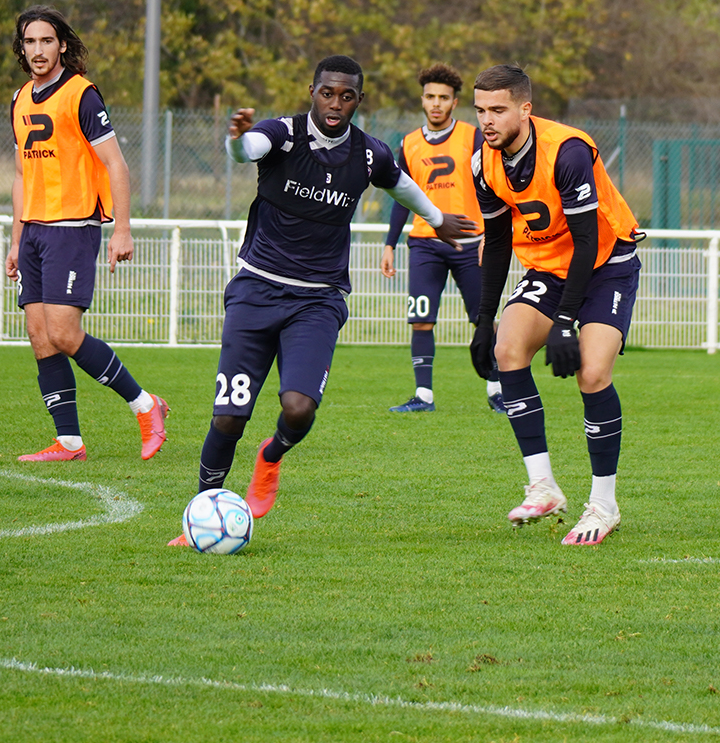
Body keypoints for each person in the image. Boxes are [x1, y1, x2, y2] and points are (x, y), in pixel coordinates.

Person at [169, 55, 476, 546]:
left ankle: (270, 458)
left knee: (298, 409)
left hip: (318, 300)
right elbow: (247, 149)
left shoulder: (367, 153)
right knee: (228, 415)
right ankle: (199, 514)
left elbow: (400, 185)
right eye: (327, 93)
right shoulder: (282, 134)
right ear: (312, 90)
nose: (336, 103)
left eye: (347, 95)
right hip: (256, 290)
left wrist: (438, 220)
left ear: (358, 99)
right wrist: (233, 140)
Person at [468, 65, 642, 546]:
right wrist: (484, 320)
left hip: (607, 261)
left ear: (525, 109)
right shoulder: (483, 162)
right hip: (549, 266)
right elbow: (498, 243)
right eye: (481, 110)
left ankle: (604, 506)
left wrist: (566, 321)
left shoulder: (565, 151)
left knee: (592, 373)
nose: (487, 120)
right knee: (507, 350)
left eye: (498, 109)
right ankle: (543, 487)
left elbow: (587, 241)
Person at [5, 5, 169, 463]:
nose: (38, 50)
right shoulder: (19, 99)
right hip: (35, 232)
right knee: (40, 334)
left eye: (46, 41)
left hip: (73, 228)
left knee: (63, 330)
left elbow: (116, 164)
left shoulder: (81, 94)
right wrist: (16, 240)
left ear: (61, 45)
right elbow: (21, 176)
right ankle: (69, 442)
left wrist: (123, 229)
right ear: (21, 48)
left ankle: (146, 405)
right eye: (30, 42)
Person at [381, 63, 505, 413]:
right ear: (422, 99)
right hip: (424, 244)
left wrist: (492, 234)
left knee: (484, 319)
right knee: (421, 318)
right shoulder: (408, 143)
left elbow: (495, 184)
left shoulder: (474, 136)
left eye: (444, 98)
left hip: (471, 244)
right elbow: (401, 196)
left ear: (454, 102)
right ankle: (424, 397)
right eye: (430, 96)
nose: (436, 103)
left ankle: (497, 392)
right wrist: (389, 244)